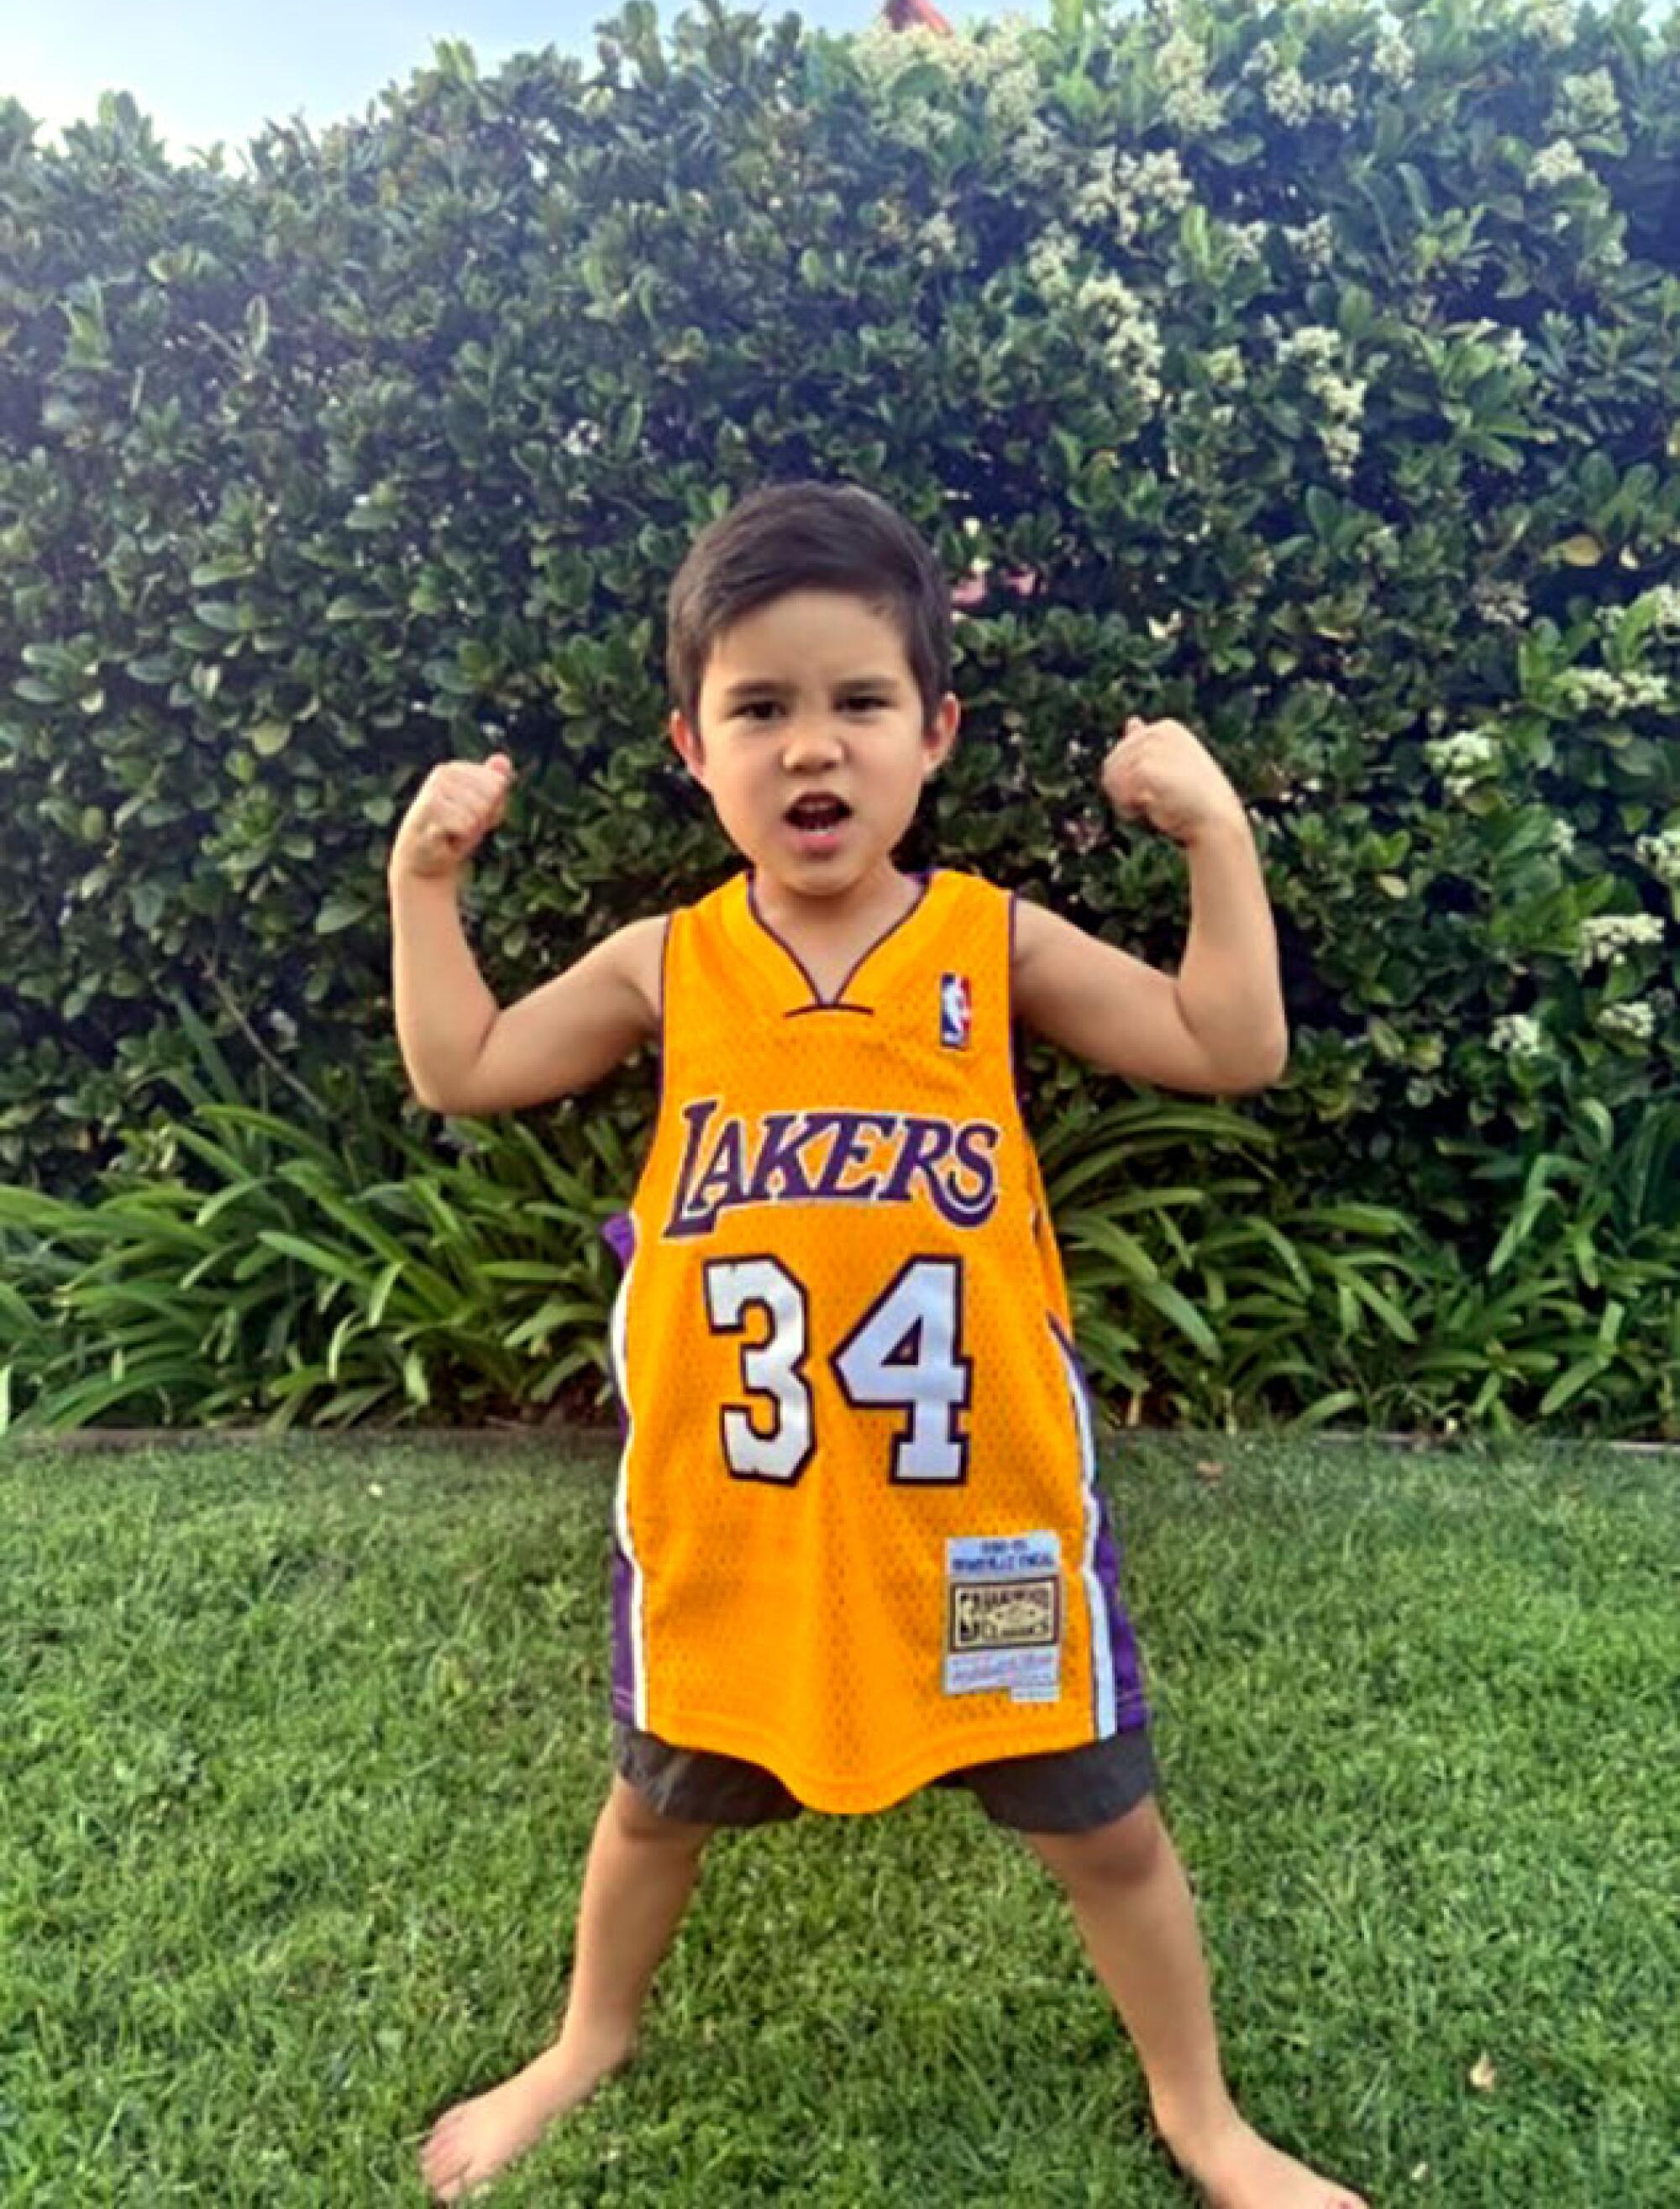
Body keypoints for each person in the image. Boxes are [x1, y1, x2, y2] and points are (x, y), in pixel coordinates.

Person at [388, 480, 1366, 2208]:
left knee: (1104, 1824)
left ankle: (1201, 2113)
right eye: (759, 707)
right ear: (694, 748)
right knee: (655, 1805)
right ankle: (587, 2037)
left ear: (934, 733)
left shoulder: (989, 941)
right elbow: (463, 1067)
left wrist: (1217, 834)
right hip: (736, 1517)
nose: (810, 746)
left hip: (980, 1521)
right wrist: (423, 881)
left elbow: (1230, 1043)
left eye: (858, 699)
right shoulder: (668, 964)